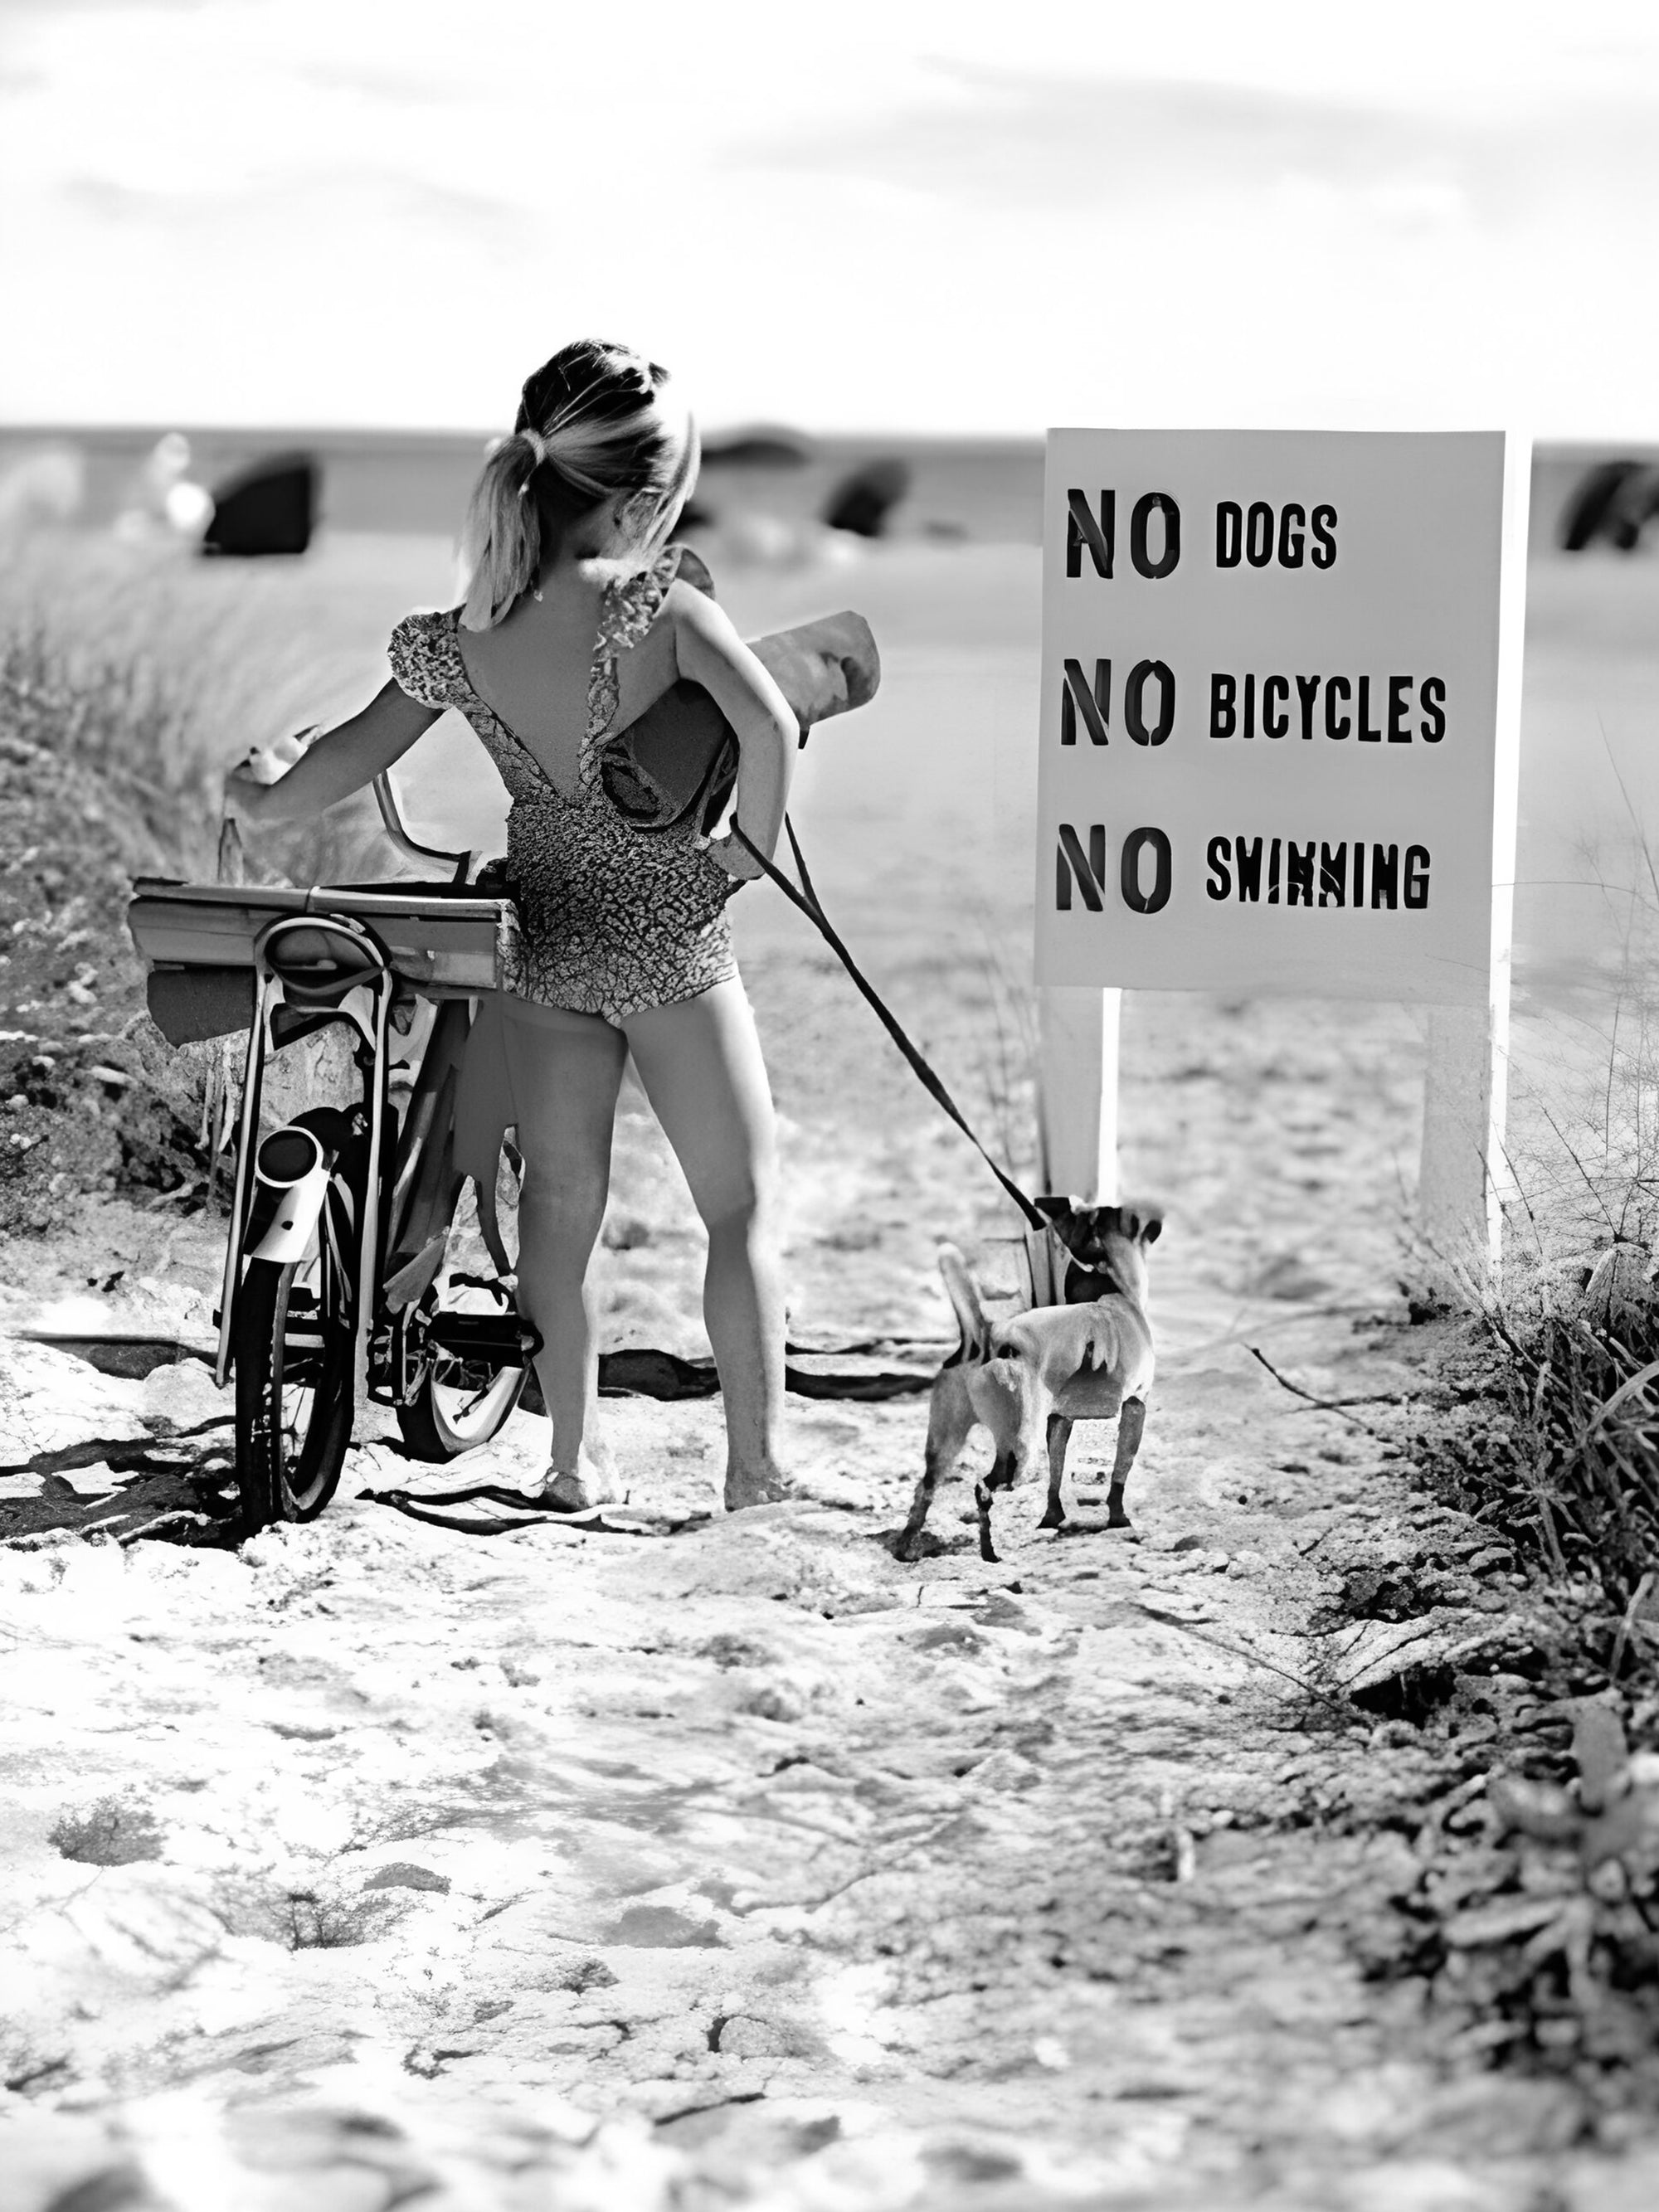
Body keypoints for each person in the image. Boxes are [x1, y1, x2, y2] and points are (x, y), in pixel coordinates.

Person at [226, 339, 799, 1514]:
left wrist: (260, 790)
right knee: (739, 1206)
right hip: (671, 942)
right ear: (648, 497)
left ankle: (569, 1462)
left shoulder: (461, 634)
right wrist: (742, 854)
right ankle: (754, 1468)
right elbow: (776, 725)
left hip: (546, 939)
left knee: (559, 1208)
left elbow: (340, 759)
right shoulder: (661, 608)